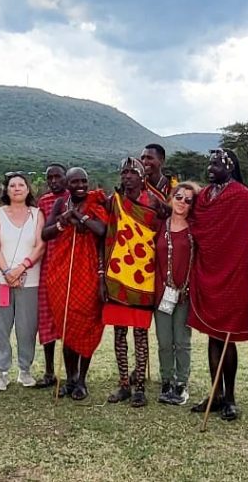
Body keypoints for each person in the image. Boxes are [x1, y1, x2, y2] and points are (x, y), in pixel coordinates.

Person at [187, 149, 248, 421]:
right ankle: (215, 394)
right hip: (208, 272)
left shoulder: (242, 197)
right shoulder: (204, 196)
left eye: (216, 164)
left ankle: (230, 398)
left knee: (226, 338)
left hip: (233, 275)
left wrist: (231, 263)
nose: (210, 168)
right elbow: (198, 226)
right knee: (213, 336)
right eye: (209, 163)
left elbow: (243, 236)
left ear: (229, 166)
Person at [42, 167, 109, 401]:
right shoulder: (61, 204)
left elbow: (102, 230)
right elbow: (46, 234)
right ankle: (70, 378)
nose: (80, 185)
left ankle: (82, 379)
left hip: (89, 272)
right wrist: (62, 222)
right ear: (67, 184)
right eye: (75, 182)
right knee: (67, 324)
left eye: (84, 181)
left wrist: (79, 216)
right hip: (61, 272)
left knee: (87, 323)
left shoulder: (96, 202)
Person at [104, 158, 163, 406]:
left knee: (140, 334)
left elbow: (160, 236)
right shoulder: (114, 201)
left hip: (143, 277)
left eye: (133, 172)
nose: (127, 176)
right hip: (117, 277)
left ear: (142, 177)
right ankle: (123, 385)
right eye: (124, 172)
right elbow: (107, 235)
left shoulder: (155, 203)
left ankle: (140, 387)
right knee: (119, 334)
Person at [0, 172, 45, 390]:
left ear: (28, 189)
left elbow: (40, 245)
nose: (17, 188)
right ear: (7, 190)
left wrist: (22, 268)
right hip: (1, 281)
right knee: (2, 327)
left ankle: (25, 370)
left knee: (27, 327)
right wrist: (7, 272)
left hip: (30, 280)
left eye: (22, 185)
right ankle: (1, 373)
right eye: (13, 185)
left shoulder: (37, 215)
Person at [153, 182, 199, 406]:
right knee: (164, 341)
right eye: (179, 197)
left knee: (182, 341)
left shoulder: (196, 229)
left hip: (185, 294)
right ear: (171, 198)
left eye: (188, 200)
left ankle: (181, 384)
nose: (182, 202)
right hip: (162, 294)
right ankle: (166, 381)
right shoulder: (160, 226)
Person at [33, 163, 69, 389]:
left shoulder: (74, 197)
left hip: (69, 264)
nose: (54, 181)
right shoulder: (43, 202)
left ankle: (70, 372)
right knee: (46, 318)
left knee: (67, 318)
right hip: (47, 264)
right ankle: (48, 372)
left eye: (58, 176)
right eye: (50, 177)